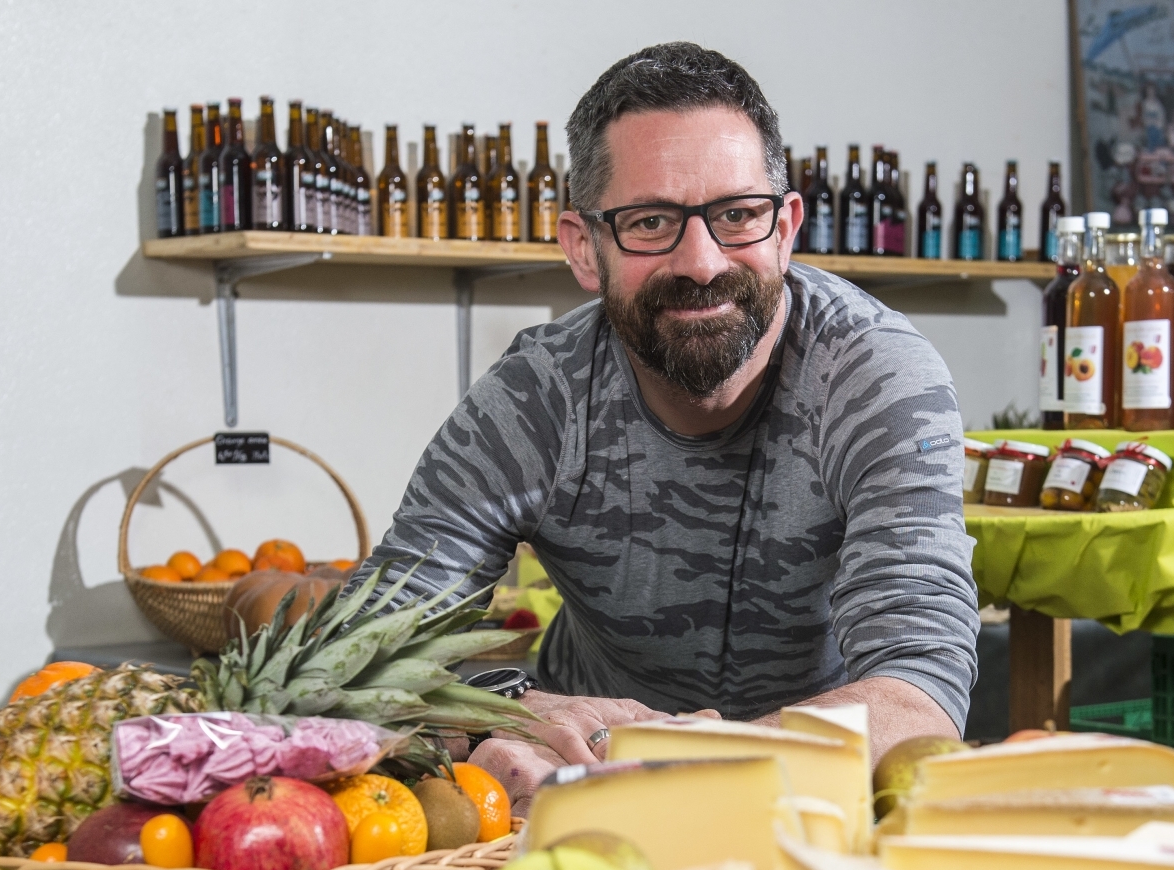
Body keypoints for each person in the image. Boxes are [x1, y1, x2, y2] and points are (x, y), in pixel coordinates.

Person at [362, 42, 978, 808]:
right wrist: (502, 708)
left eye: (738, 215)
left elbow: (921, 692)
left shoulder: (877, 376)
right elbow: (359, 658)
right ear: (584, 248)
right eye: (651, 222)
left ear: (785, 227)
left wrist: (680, 768)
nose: (702, 260)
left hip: (817, 797)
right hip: (572, 798)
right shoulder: (534, 398)